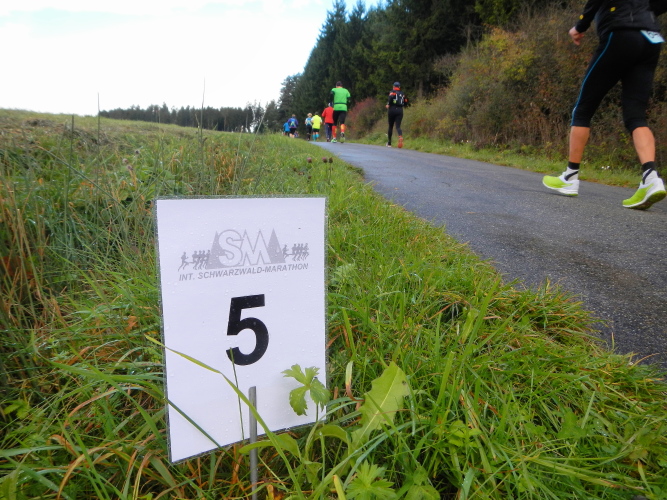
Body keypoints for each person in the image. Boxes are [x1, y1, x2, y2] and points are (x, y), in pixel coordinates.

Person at [542, 0, 667, 210]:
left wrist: (580, 26)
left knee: (583, 109)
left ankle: (570, 177)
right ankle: (651, 178)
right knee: (636, 115)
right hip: (651, 38)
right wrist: (643, 10)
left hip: (620, 33)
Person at [385, 81, 409, 148]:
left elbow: (390, 98)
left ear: (393, 86)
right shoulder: (402, 93)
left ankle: (389, 143)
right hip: (400, 110)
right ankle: (400, 136)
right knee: (398, 126)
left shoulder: (392, 92)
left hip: (392, 109)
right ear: (399, 87)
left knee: (390, 126)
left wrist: (388, 104)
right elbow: (406, 102)